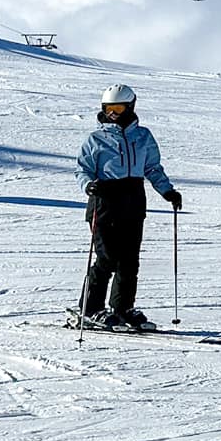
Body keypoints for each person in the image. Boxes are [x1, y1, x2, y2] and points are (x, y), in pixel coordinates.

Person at [74, 84, 182, 330]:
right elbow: (82, 169)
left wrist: (167, 191)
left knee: (129, 260)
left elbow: (152, 168)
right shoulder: (96, 138)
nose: (113, 113)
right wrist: (88, 186)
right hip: (104, 202)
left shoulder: (143, 136)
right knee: (107, 258)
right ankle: (90, 308)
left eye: (118, 108)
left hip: (133, 202)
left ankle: (122, 307)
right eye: (108, 108)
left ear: (130, 107)